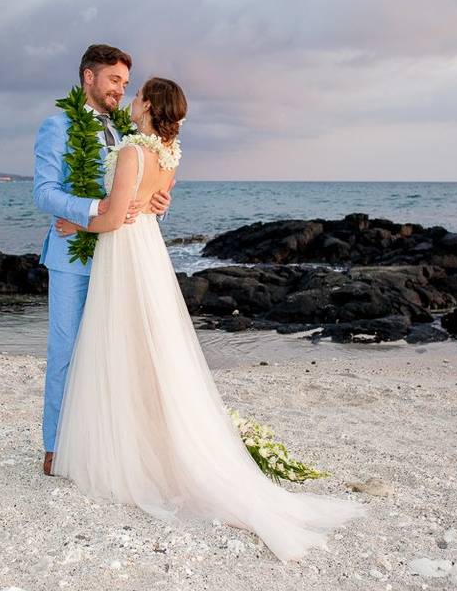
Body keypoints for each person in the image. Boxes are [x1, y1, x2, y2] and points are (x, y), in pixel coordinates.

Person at [51, 77, 364, 562]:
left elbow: (114, 217)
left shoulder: (134, 151)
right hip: (147, 253)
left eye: (137, 95)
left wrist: (78, 221)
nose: (131, 101)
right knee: (151, 350)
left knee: (123, 347)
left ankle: (127, 453)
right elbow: (153, 205)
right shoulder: (171, 155)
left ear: (150, 105)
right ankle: (147, 441)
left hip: (126, 254)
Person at [33, 44, 171, 477]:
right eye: (114, 80)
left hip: (121, 259)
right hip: (73, 260)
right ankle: (56, 446)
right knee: (68, 352)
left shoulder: (129, 133)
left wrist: (157, 202)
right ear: (88, 77)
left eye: (126, 84)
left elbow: (136, 189)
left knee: (116, 353)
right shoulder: (58, 126)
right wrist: (93, 210)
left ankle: (107, 442)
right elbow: (44, 193)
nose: (119, 90)